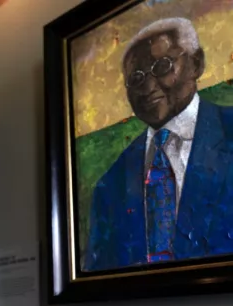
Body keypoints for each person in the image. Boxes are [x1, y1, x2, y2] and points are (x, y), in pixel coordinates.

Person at [84, 17, 233, 271]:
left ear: (196, 64)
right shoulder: (110, 186)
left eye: (163, 65)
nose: (149, 87)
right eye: (137, 79)